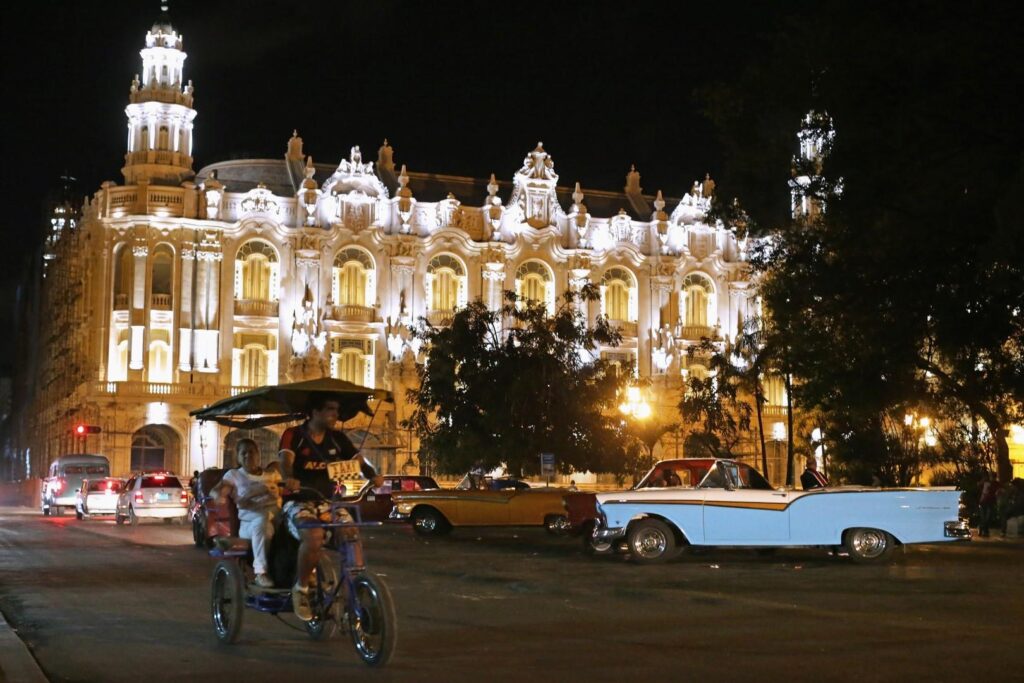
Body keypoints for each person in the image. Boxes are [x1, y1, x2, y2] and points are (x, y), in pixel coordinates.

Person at [279, 395, 383, 621]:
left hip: (327, 502)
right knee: (314, 536)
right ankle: (301, 588)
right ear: (315, 412)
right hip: (298, 502)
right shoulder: (294, 435)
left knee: (351, 534)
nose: (335, 414)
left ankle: (353, 592)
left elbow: (358, 461)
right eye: (330, 409)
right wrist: (289, 478)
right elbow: (285, 462)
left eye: (336, 409)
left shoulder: (337, 439)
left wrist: (372, 475)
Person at [211, 439, 278, 588]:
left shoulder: (272, 475)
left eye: (252, 452)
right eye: (244, 453)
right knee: (262, 520)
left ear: (258, 454)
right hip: (249, 523)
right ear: (238, 457)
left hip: (275, 519)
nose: (248, 456)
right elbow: (220, 489)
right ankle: (260, 572)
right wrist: (219, 495)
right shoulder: (234, 475)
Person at [978, 470, 999, 537]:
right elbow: (980, 487)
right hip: (985, 501)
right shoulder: (986, 483)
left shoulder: (995, 484)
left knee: (987, 517)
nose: (992, 478)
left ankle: (983, 529)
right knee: (984, 517)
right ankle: (984, 530)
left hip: (989, 502)